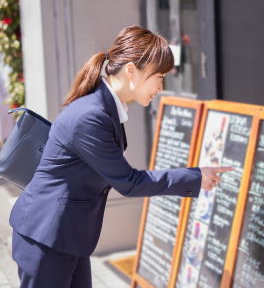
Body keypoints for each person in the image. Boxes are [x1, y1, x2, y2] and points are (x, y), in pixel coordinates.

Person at [9, 25, 233, 288]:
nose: (160, 87)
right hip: (45, 237)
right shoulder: (91, 116)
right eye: (159, 77)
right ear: (131, 71)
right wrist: (195, 177)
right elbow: (129, 182)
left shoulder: (105, 109)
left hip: (68, 234)